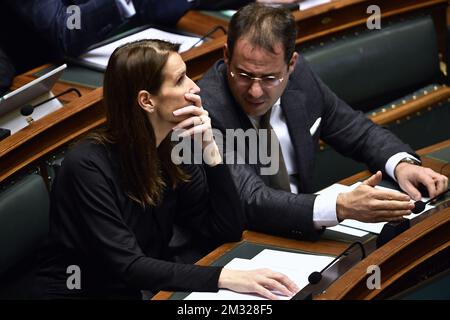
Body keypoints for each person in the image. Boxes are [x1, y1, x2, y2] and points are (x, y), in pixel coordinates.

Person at [33, 39, 298, 300]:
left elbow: (226, 230)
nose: (195, 87)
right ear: (147, 101)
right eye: (181, 79)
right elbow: (129, 265)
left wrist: (211, 152)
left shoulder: (172, 149)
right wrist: (223, 278)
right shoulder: (87, 167)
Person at [199, 3, 449, 240]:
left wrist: (402, 164)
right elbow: (251, 199)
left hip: (307, 229)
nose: (255, 91)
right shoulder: (206, 108)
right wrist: (340, 206)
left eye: (269, 78)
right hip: (246, 243)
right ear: (227, 56)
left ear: (291, 65)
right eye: (244, 75)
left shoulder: (301, 79)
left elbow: (356, 130)